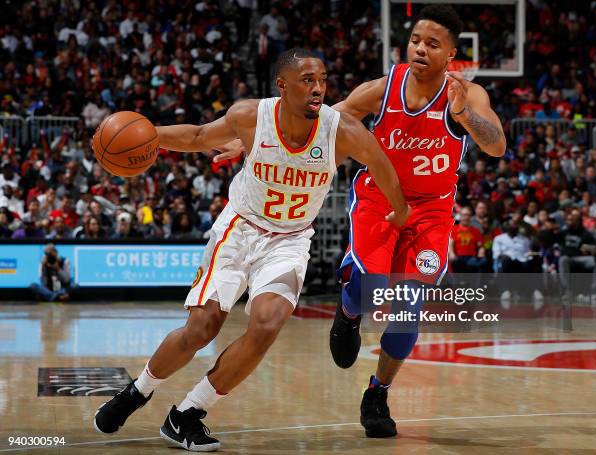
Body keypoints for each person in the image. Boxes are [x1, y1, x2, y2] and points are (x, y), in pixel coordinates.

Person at [93, 48, 410, 452]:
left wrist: (400, 210)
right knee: (201, 328)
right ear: (282, 86)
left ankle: (187, 415)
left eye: (323, 80)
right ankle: (137, 391)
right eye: (307, 80)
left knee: (267, 324)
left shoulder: (341, 130)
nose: (318, 89)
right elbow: (196, 136)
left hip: (290, 239)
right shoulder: (250, 116)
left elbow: (380, 163)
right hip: (240, 230)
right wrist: (149, 135)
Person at [327, 5, 505, 438]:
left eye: (433, 44)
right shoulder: (384, 88)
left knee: (407, 311)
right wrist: (261, 134)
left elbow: (497, 145)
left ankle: (378, 391)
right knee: (371, 289)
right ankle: (349, 312)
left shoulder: (466, 94)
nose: (421, 49)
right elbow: (331, 117)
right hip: (379, 199)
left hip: (431, 210)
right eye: (416, 40)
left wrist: (464, 115)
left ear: (451, 54)